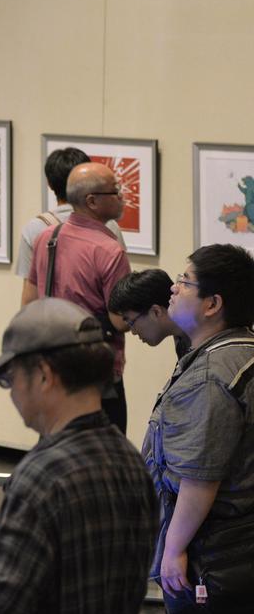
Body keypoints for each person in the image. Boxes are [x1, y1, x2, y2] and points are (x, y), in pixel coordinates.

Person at [0, 298, 158, 614]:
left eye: (9, 378)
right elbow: (83, 558)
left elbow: (1, 609)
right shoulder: (130, 460)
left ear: (44, 375)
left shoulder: (41, 475)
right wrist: (2, 533)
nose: (11, 392)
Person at [142, 244, 254, 614]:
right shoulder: (243, 350)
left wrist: (173, 550)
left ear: (213, 303)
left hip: (211, 554)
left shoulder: (211, 374)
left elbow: (200, 479)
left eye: (184, 281)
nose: (172, 289)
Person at [25, 162, 131, 433]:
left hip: (54, 364)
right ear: (92, 201)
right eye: (115, 191)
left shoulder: (47, 238)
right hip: (97, 372)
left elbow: (29, 303)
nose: (122, 197)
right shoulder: (109, 250)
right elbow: (120, 320)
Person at [15, 147, 125, 291]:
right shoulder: (108, 225)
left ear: (49, 183)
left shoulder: (35, 229)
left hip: (52, 312)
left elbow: (30, 293)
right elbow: (120, 291)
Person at [108, 268, 189, 358]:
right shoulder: (182, 336)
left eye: (132, 322)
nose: (133, 332)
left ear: (156, 312)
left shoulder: (198, 343)